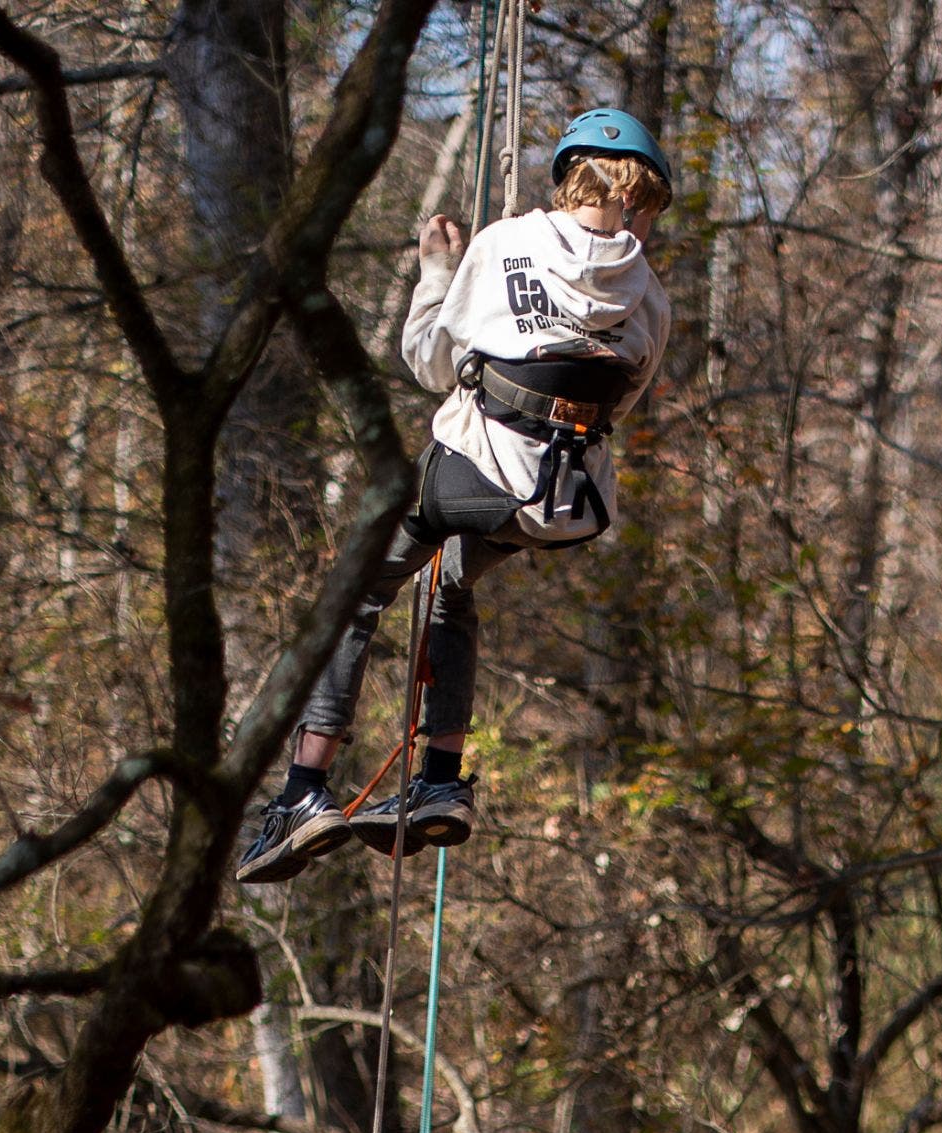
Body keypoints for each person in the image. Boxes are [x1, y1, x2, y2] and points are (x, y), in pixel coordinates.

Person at [235, 109, 675, 884]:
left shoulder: (505, 245)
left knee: (358, 591)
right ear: (640, 201)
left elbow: (430, 362)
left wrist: (438, 272)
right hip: (564, 504)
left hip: (475, 474)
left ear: (568, 176)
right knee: (450, 586)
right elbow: (620, 402)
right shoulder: (651, 298)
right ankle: (441, 777)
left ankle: (305, 792)